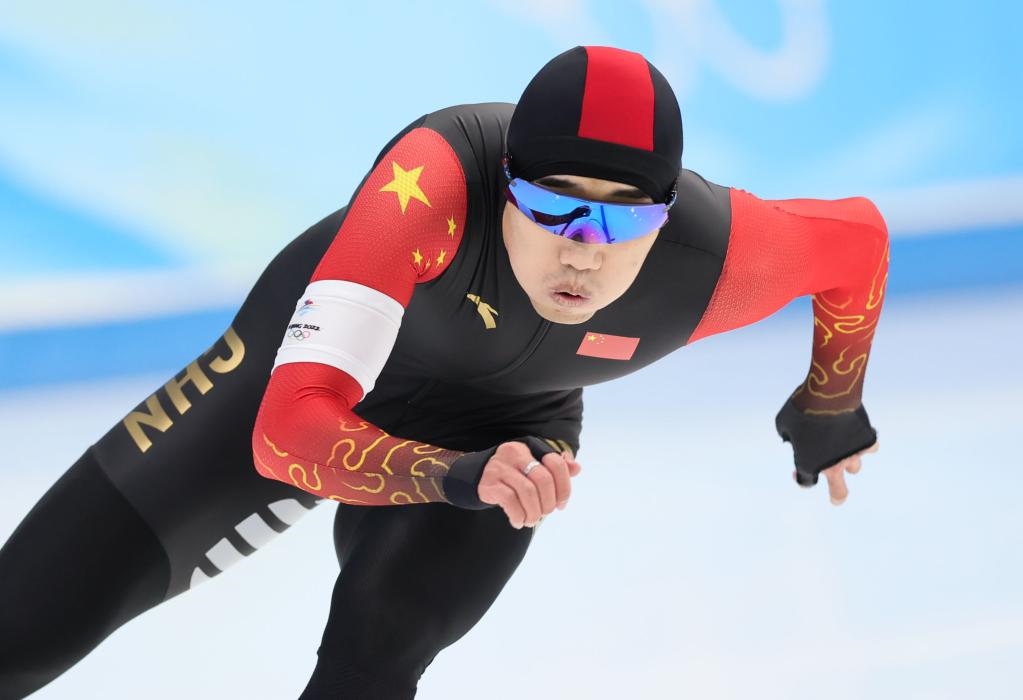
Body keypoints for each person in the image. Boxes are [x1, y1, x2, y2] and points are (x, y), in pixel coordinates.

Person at [0, 45, 886, 699]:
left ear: (665, 213)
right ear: (504, 185)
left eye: (623, 220)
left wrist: (829, 404)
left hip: (502, 425)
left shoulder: (716, 257)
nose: (583, 249)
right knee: (20, 632)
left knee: (376, 655)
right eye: (552, 207)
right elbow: (285, 433)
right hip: (292, 380)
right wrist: (454, 475)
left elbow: (859, 243)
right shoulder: (428, 189)